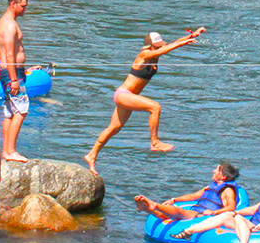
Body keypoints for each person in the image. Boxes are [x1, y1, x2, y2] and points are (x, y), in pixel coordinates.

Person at [84, 26, 205, 173]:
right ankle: (155, 142)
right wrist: (180, 44)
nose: (161, 46)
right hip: (124, 94)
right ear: (150, 45)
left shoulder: (155, 55)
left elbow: (172, 44)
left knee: (114, 128)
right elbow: (165, 49)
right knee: (155, 107)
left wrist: (193, 35)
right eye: (157, 45)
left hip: (128, 98)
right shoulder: (143, 55)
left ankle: (91, 155)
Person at [133, 162, 242, 224]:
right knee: (165, 216)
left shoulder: (227, 190)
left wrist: (213, 213)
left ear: (223, 177)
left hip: (204, 217)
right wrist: (174, 200)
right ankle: (147, 208)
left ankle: (155, 205)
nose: (213, 171)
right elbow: (194, 196)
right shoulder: (212, 186)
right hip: (197, 212)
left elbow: (231, 207)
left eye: (217, 170)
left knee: (179, 212)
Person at [0, 0, 31, 162]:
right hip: (11, 72)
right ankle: (10, 150)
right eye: (22, 7)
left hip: (11, 71)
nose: (25, 10)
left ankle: (6, 150)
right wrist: (14, 79)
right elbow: (9, 53)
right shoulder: (8, 24)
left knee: (10, 111)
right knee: (22, 110)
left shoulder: (7, 21)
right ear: (13, 4)